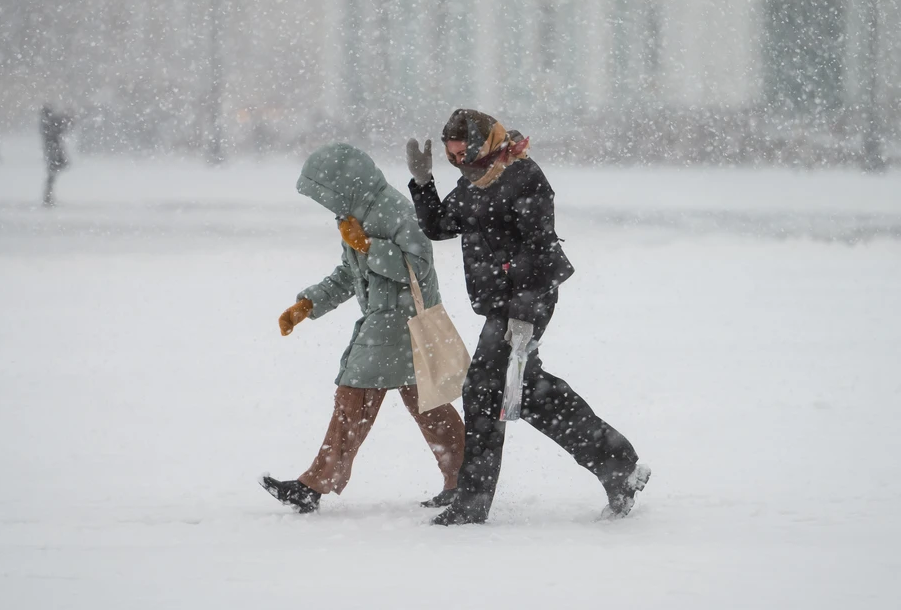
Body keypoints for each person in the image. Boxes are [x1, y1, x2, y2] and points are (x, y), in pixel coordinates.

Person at [406, 109, 650, 525]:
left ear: (483, 141)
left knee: (483, 391)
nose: (459, 162)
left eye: (463, 152)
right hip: (500, 303)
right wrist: (424, 184)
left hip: (529, 298)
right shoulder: (474, 181)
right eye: (451, 157)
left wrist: (523, 317)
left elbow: (538, 251)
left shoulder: (522, 176)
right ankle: (618, 462)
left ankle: (472, 502)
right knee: (529, 393)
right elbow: (442, 225)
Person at [262, 143, 465, 514]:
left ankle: (315, 484)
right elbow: (349, 274)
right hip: (389, 323)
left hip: (399, 322)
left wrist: (370, 245)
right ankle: (464, 480)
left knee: (352, 398)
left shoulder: (393, 209)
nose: (325, 204)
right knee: (428, 404)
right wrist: (308, 304)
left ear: (344, 185)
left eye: (326, 194)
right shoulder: (355, 213)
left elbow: (418, 266)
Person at [39, 104, 74, 207]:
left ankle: (48, 196)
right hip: (54, 149)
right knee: (53, 172)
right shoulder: (49, 123)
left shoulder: (45, 122)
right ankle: (48, 197)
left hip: (52, 149)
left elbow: (59, 127)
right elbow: (60, 128)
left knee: (52, 173)